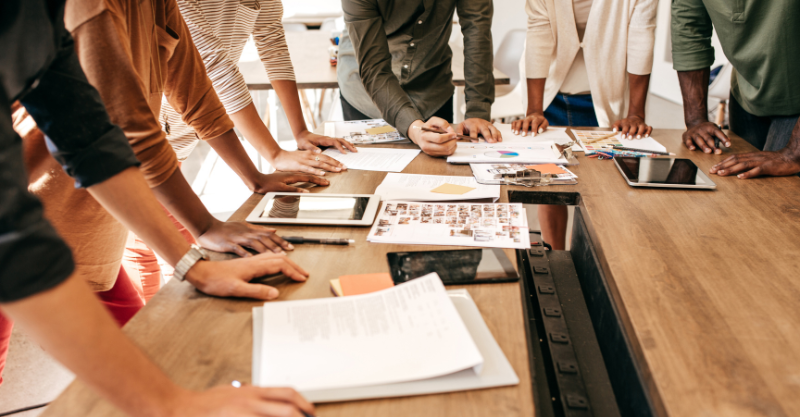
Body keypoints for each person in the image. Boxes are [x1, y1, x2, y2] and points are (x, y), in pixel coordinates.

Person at [1, 0, 329, 417]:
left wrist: (195, 260)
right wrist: (170, 409)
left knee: (156, 346)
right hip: (33, 215)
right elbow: (15, 229)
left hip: (62, 224)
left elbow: (89, 136)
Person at [56, 0, 329, 302]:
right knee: (150, 258)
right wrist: (200, 242)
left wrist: (255, 174)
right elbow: (131, 124)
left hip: (130, 165)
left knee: (145, 279)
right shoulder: (92, 8)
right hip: (67, 190)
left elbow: (195, 88)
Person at [512, 0, 657, 249]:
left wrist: (636, 113)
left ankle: (586, 263)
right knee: (550, 185)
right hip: (549, 93)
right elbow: (538, 34)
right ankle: (555, 258)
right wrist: (534, 109)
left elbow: (641, 38)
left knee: (600, 189)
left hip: (604, 96)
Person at [161, 0, 358, 178]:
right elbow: (215, 66)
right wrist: (275, 154)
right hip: (153, 126)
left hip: (184, 130)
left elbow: (273, 46)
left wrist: (300, 132)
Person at [338, 0, 502, 157]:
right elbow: (375, 68)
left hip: (431, 89)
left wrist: (477, 111)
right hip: (367, 97)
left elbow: (477, 33)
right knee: (369, 180)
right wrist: (414, 127)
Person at [671, 0, 800, 179]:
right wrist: (696, 120)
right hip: (745, 94)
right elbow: (689, 28)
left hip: (795, 100)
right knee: (737, 189)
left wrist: (794, 152)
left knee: (779, 198)